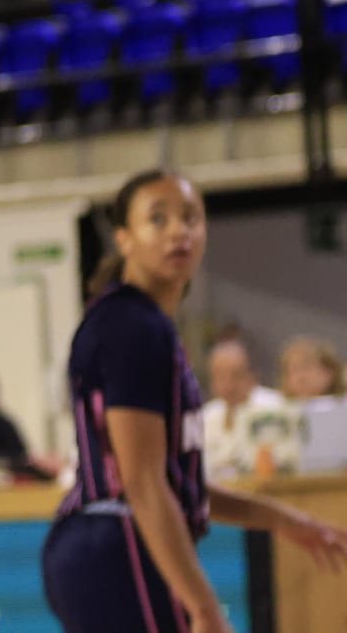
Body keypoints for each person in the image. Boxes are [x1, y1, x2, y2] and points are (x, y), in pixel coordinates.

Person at [42, 171, 347, 633]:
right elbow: (142, 482)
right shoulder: (133, 325)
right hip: (117, 541)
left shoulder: (142, 323)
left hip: (101, 547)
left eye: (190, 217)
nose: (177, 230)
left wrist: (285, 520)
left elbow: (176, 484)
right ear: (124, 239)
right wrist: (203, 606)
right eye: (157, 219)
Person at [202, 338, 286, 481]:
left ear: (253, 375)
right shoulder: (206, 415)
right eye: (219, 376)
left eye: (235, 375)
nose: (228, 385)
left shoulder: (276, 408)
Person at [279, 336, 346, 405]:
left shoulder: (343, 407)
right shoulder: (277, 409)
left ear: (328, 373)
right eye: (293, 369)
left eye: (306, 368)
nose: (300, 377)